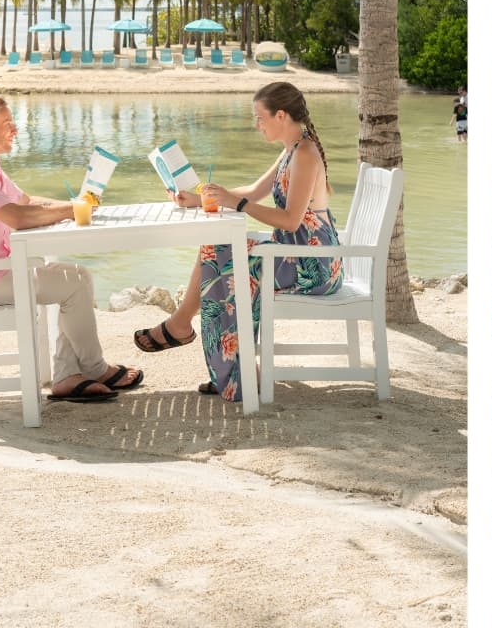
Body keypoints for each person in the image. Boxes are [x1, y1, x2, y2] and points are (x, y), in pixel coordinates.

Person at [130, 81, 344, 401]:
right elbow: (255, 191)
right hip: (293, 253)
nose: (256, 125)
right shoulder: (292, 150)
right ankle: (214, 352)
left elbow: (290, 220)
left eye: (260, 118)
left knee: (228, 262)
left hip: (313, 265)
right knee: (215, 248)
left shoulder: (306, 154)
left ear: (281, 115)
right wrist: (201, 199)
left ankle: (203, 343)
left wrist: (235, 203)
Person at [0, 95, 143, 402]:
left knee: (76, 278)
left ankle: (68, 377)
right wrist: (71, 210)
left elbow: (26, 202)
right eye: (7, 124)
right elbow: (18, 218)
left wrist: (79, 204)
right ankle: (93, 369)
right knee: (73, 283)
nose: (15, 130)